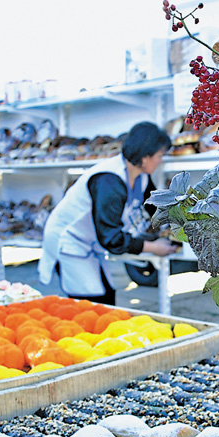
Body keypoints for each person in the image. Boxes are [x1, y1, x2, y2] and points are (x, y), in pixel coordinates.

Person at [38, 121, 179, 304]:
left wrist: (178, 226)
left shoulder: (140, 175)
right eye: (160, 156)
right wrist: (153, 248)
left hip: (91, 242)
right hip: (69, 240)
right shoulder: (109, 181)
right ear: (145, 157)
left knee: (107, 294)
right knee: (91, 300)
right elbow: (111, 238)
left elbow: (155, 208)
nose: (161, 161)